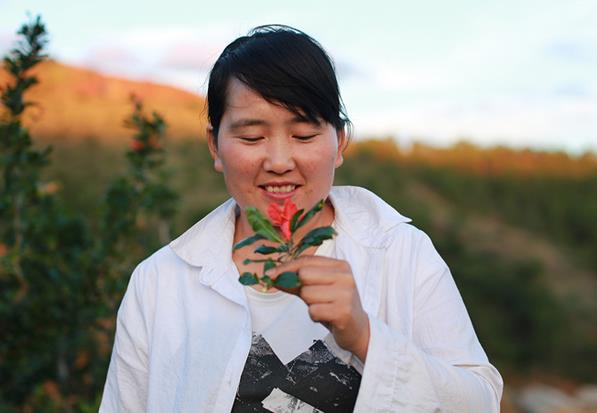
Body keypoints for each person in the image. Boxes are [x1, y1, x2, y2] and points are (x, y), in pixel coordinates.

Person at [99, 25, 503, 412]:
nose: (278, 162)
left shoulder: (401, 252)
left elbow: (481, 402)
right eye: (251, 137)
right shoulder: (159, 282)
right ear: (215, 146)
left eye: (304, 136)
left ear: (339, 142)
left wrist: (365, 336)